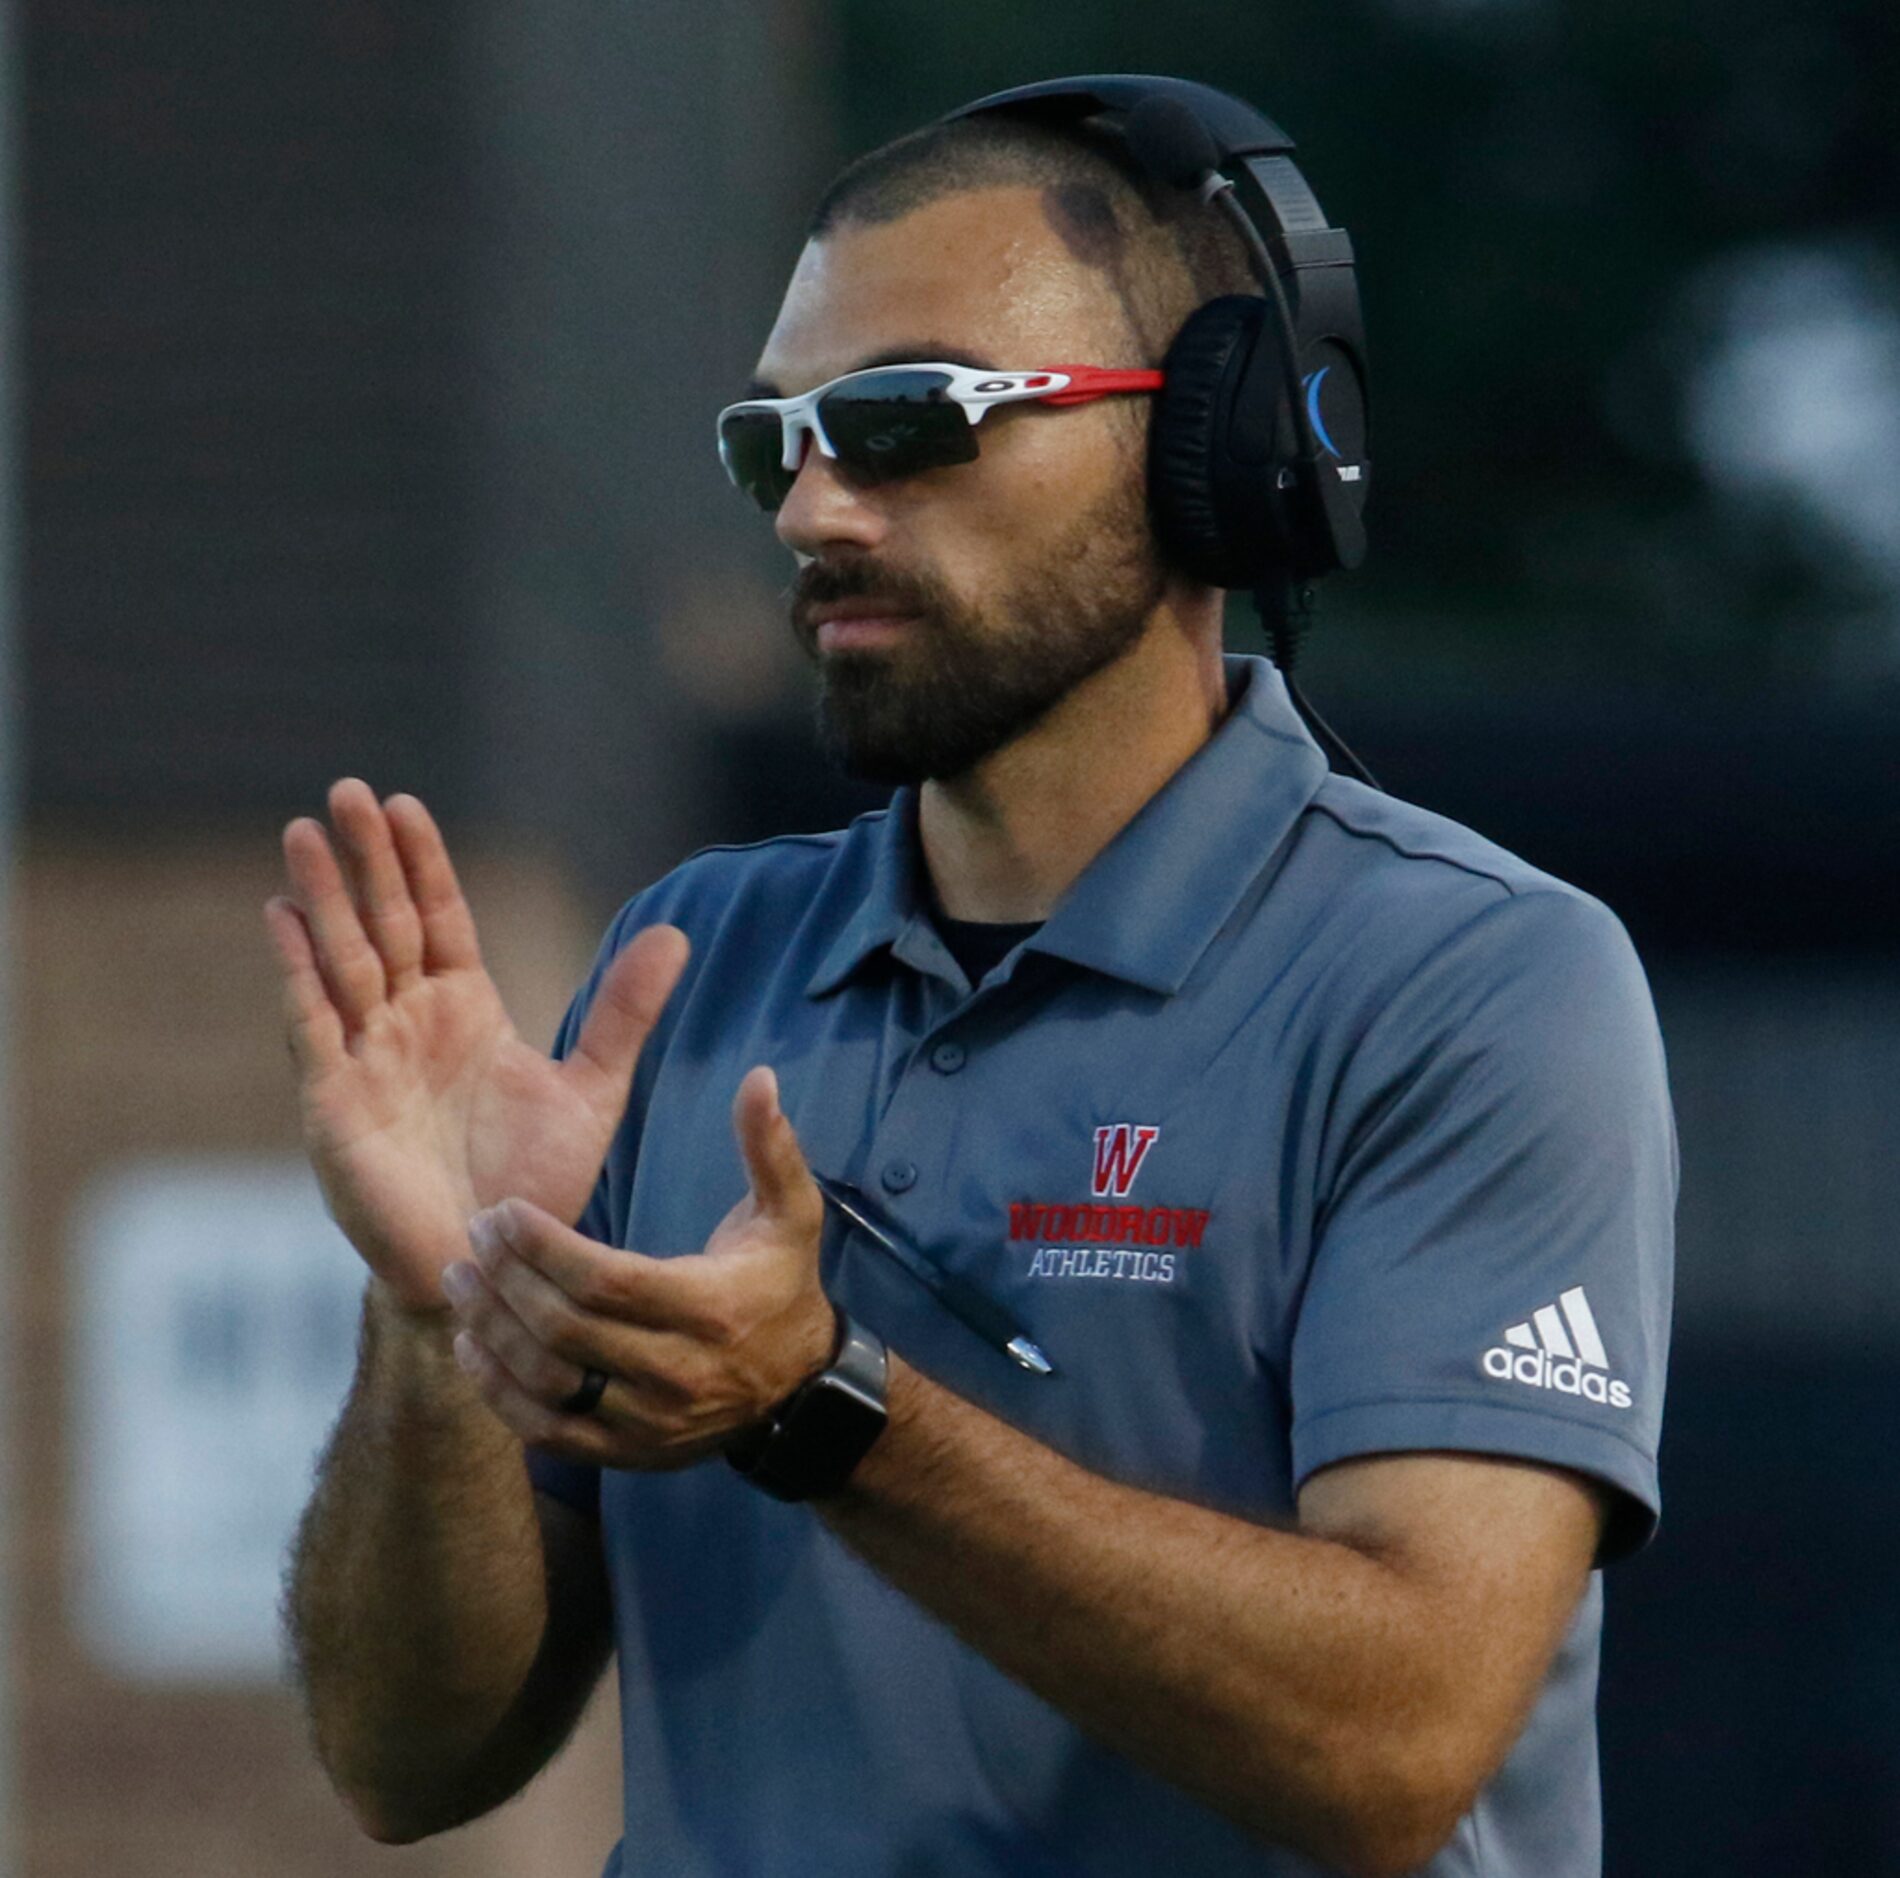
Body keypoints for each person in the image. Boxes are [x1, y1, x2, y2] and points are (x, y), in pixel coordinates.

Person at [270, 79, 1675, 1878]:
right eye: (770, 442)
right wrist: (429, 1325)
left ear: (1215, 445)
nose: (812, 509)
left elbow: (1394, 1741)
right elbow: (412, 1759)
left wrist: (820, 1404)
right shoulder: (692, 966)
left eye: (910, 419)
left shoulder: (1475, 983)